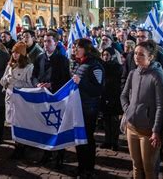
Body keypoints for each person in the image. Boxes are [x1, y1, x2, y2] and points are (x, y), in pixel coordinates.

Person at [120, 40, 163, 179]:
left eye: (141, 54)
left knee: (149, 169)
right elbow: (123, 95)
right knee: (136, 165)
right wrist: (128, 111)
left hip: (148, 131)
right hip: (131, 127)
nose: (136, 57)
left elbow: (161, 106)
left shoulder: (158, 76)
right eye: (135, 53)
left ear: (151, 57)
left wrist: (155, 130)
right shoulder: (133, 73)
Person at [32, 30, 71, 166]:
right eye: (44, 41)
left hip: (57, 98)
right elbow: (34, 75)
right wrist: (37, 83)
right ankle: (46, 153)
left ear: (56, 43)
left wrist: (51, 85)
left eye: (49, 41)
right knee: (44, 126)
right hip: (43, 97)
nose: (46, 44)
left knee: (57, 127)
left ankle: (60, 155)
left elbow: (66, 80)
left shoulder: (62, 59)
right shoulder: (39, 58)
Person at [71, 38, 105, 178]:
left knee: (87, 139)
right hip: (77, 106)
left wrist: (81, 83)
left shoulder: (95, 66)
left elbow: (98, 90)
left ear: (86, 49)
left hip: (88, 109)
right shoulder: (78, 64)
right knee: (78, 139)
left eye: (77, 47)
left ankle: (89, 169)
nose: (74, 50)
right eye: (74, 47)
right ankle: (81, 166)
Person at [0, 41, 34, 159]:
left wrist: (15, 82)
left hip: (21, 100)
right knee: (13, 124)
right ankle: (18, 146)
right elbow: (2, 81)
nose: (14, 55)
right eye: (13, 52)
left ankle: (21, 148)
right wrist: (6, 80)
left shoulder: (29, 67)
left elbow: (30, 85)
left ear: (23, 54)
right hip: (10, 98)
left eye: (17, 53)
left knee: (21, 125)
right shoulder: (9, 65)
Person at [100, 47, 123, 151]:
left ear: (112, 56)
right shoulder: (101, 66)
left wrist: (113, 97)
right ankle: (107, 140)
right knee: (106, 120)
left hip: (114, 97)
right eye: (104, 55)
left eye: (107, 55)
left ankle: (115, 142)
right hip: (104, 97)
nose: (105, 57)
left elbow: (117, 84)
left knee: (114, 121)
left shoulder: (118, 67)